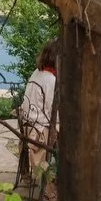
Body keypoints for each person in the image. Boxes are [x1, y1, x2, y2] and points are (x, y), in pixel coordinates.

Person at [20, 39, 60, 191]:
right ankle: (51, 185)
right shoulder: (51, 80)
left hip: (27, 126)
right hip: (39, 132)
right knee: (69, 139)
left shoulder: (37, 73)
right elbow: (53, 112)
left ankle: (34, 175)